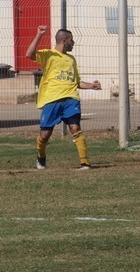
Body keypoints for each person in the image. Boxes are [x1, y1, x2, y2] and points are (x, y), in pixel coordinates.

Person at [26, 26, 101, 170]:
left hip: (71, 98)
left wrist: (91, 86)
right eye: (71, 40)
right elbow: (29, 54)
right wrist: (39, 35)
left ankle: (85, 163)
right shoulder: (49, 54)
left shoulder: (71, 59)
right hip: (51, 99)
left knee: (75, 127)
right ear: (64, 41)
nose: (73, 43)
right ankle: (41, 157)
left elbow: (77, 82)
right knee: (45, 135)